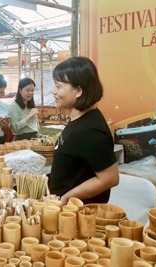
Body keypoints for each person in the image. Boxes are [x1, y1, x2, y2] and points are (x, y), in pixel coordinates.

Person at [49, 56, 119, 205]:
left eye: (58, 86)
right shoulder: (78, 119)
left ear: (79, 91)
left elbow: (110, 178)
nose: (53, 91)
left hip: (79, 213)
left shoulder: (90, 130)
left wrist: (67, 197)